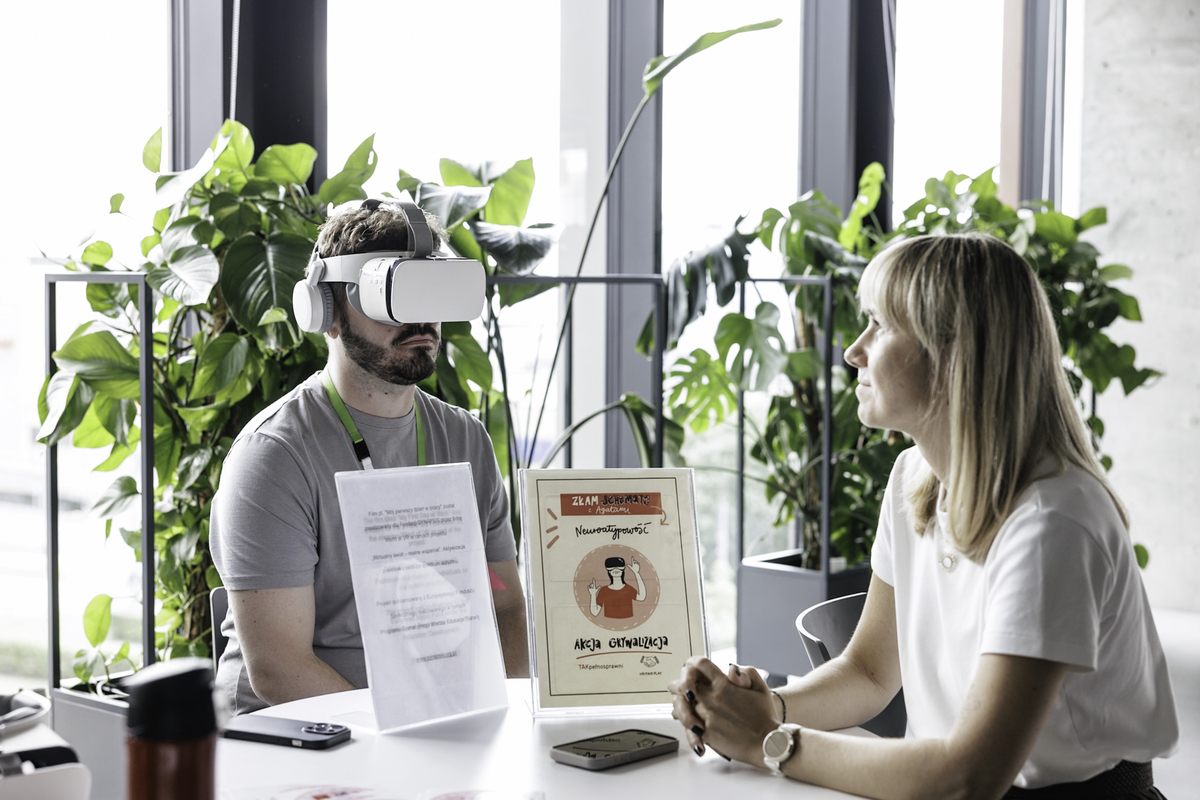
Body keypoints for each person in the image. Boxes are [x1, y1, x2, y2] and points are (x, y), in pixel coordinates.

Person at [668, 234, 1178, 798]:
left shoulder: (1052, 523)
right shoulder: (915, 477)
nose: (853, 352)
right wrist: (761, 708)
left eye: (880, 326)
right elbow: (868, 672)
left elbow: (969, 776)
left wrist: (769, 742)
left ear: (955, 353)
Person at [210, 201, 529, 715]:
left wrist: (504, 716)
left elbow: (505, 603)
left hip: (440, 723)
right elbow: (278, 668)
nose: (420, 318)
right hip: (305, 734)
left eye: (431, 292)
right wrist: (404, 734)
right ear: (327, 311)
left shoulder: (465, 439)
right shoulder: (275, 455)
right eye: (390, 297)